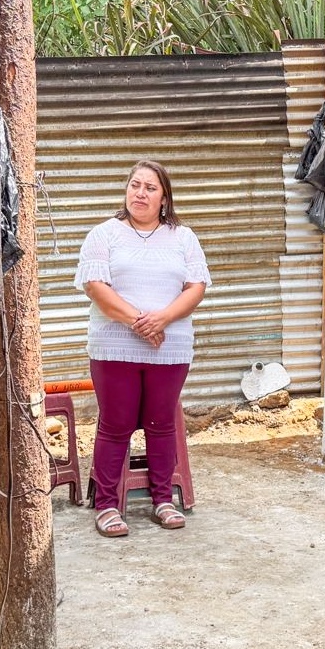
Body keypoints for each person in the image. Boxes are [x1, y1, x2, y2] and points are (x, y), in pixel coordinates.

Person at [76, 160, 210, 537]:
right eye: (135, 185)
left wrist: (162, 320)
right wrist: (141, 322)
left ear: (164, 198)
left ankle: (163, 500)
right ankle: (106, 506)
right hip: (115, 346)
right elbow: (96, 287)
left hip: (168, 348)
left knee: (161, 423)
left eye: (150, 188)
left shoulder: (183, 238)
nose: (140, 193)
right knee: (115, 425)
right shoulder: (104, 235)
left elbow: (196, 286)